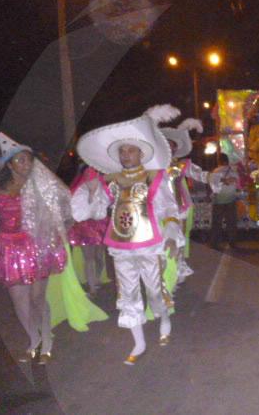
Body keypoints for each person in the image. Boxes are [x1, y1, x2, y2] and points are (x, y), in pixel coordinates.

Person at [71, 104, 184, 365]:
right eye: (122, 151)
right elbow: (93, 211)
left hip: (150, 243)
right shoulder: (110, 179)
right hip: (120, 246)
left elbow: (168, 207)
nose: (125, 154)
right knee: (128, 294)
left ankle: (164, 319)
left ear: (141, 153)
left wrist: (171, 235)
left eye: (130, 150)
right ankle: (139, 342)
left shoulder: (156, 177)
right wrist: (90, 192)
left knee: (155, 292)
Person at [0, 133, 107, 364]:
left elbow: (62, 204)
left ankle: (46, 339)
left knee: (37, 298)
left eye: (28, 159)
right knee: (19, 300)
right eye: (20, 160)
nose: (25, 164)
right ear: (9, 164)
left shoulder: (41, 184)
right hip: (8, 249)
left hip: (35, 246)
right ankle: (33, 340)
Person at [162, 118, 210, 281]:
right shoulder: (152, 168)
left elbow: (200, 174)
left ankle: (177, 268)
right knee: (161, 241)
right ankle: (162, 272)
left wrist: (213, 178)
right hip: (159, 209)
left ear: (175, 149)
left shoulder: (182, 165)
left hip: (179, 208)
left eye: (172, 146)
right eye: (166, 145)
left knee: (179, 239)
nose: (169, 148)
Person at [68, 164, 109, 295]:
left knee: (99, 257)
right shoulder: (79, 192)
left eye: (95, 174)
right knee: (89, 258)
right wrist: (90, 197)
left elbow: (104, 208)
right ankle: (92, 287)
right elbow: (78, 214)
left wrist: (96, 195)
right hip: (84, 227)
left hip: (100, 225)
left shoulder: (102, 189)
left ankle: (96, 279)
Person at [208, 153, 241, 250]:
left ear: (219, 161)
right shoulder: (233, 171)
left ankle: (214, 242)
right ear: (227, 161)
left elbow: (212, 185)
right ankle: (232, 242)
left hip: (218, 200)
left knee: (217, 222)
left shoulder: (216, 171)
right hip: (231, 199)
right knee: (231, 222)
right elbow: (238, 185)